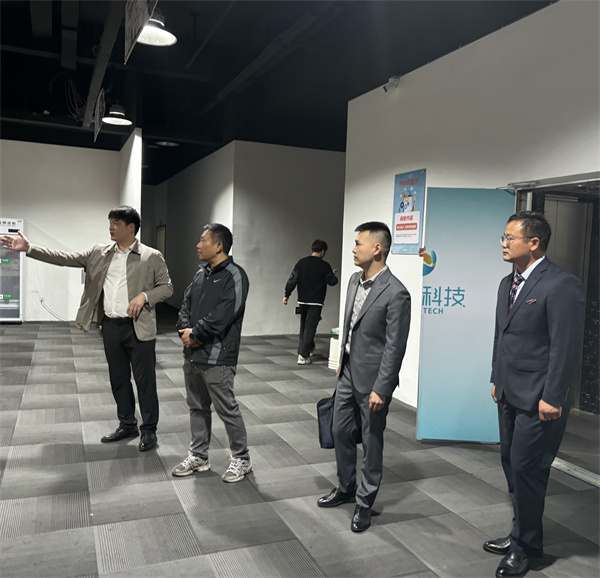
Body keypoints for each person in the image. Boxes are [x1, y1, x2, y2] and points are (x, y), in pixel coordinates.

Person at [0, 206, 173, 451]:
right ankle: (127, 424)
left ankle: (149, 431)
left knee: (145, 382)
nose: (110, 227)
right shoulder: (99, 253)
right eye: (110, 222)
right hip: (111, 326)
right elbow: (65, 258)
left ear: (131, 227)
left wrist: (144, 296)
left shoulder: (151, 256)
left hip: (139, 328)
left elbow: (167, 287)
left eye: (116, 223)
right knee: (118, 379)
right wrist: (29, 248)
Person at [485, 211, 584, 578]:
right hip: (509, 392)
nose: (503, 243)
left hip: (541, 398)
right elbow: (502, 335)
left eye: (509, 237)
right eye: (504, 236)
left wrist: (553, 396)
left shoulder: (562, 284)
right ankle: (520, 534)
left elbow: (565, 346)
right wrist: (496, 378)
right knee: (511, 464)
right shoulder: (506, 283)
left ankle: (526, 548)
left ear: (534, 243)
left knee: (528, 469)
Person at [317, 221, 411, 532]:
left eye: (359, 243)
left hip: (373, 382)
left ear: (377, 248)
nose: (354, 249)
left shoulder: (397, 293)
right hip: (347, 373)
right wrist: (340, 360)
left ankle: (365, 502)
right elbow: (350, 325)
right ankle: (346, 487)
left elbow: (395, 347)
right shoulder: (353, 281)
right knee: (339, 431)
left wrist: (382, 388)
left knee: (371, 441)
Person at [172, 223, 252, 483]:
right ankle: (199, 455)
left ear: (218, 245)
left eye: (203, 240)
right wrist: (185, 331)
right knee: (197, 406)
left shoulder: (235, 276)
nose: (198, 245)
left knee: (227, 408)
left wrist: (196, 334)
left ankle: (241, 458)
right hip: (193, 355)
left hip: (218, 356)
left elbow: (223, 315)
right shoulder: (200, 275)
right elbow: (185, 305)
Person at [283, 239, 338, 364]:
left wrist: (287, 294)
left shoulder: (301, 263)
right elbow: (332, 282)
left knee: (304, 326)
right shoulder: (324, 265)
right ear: (323, 251)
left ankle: (309, 347)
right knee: (310, 327)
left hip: (302, 300)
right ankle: (303, 355)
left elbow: (292, 279)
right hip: (316, 302)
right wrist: (332, 275)